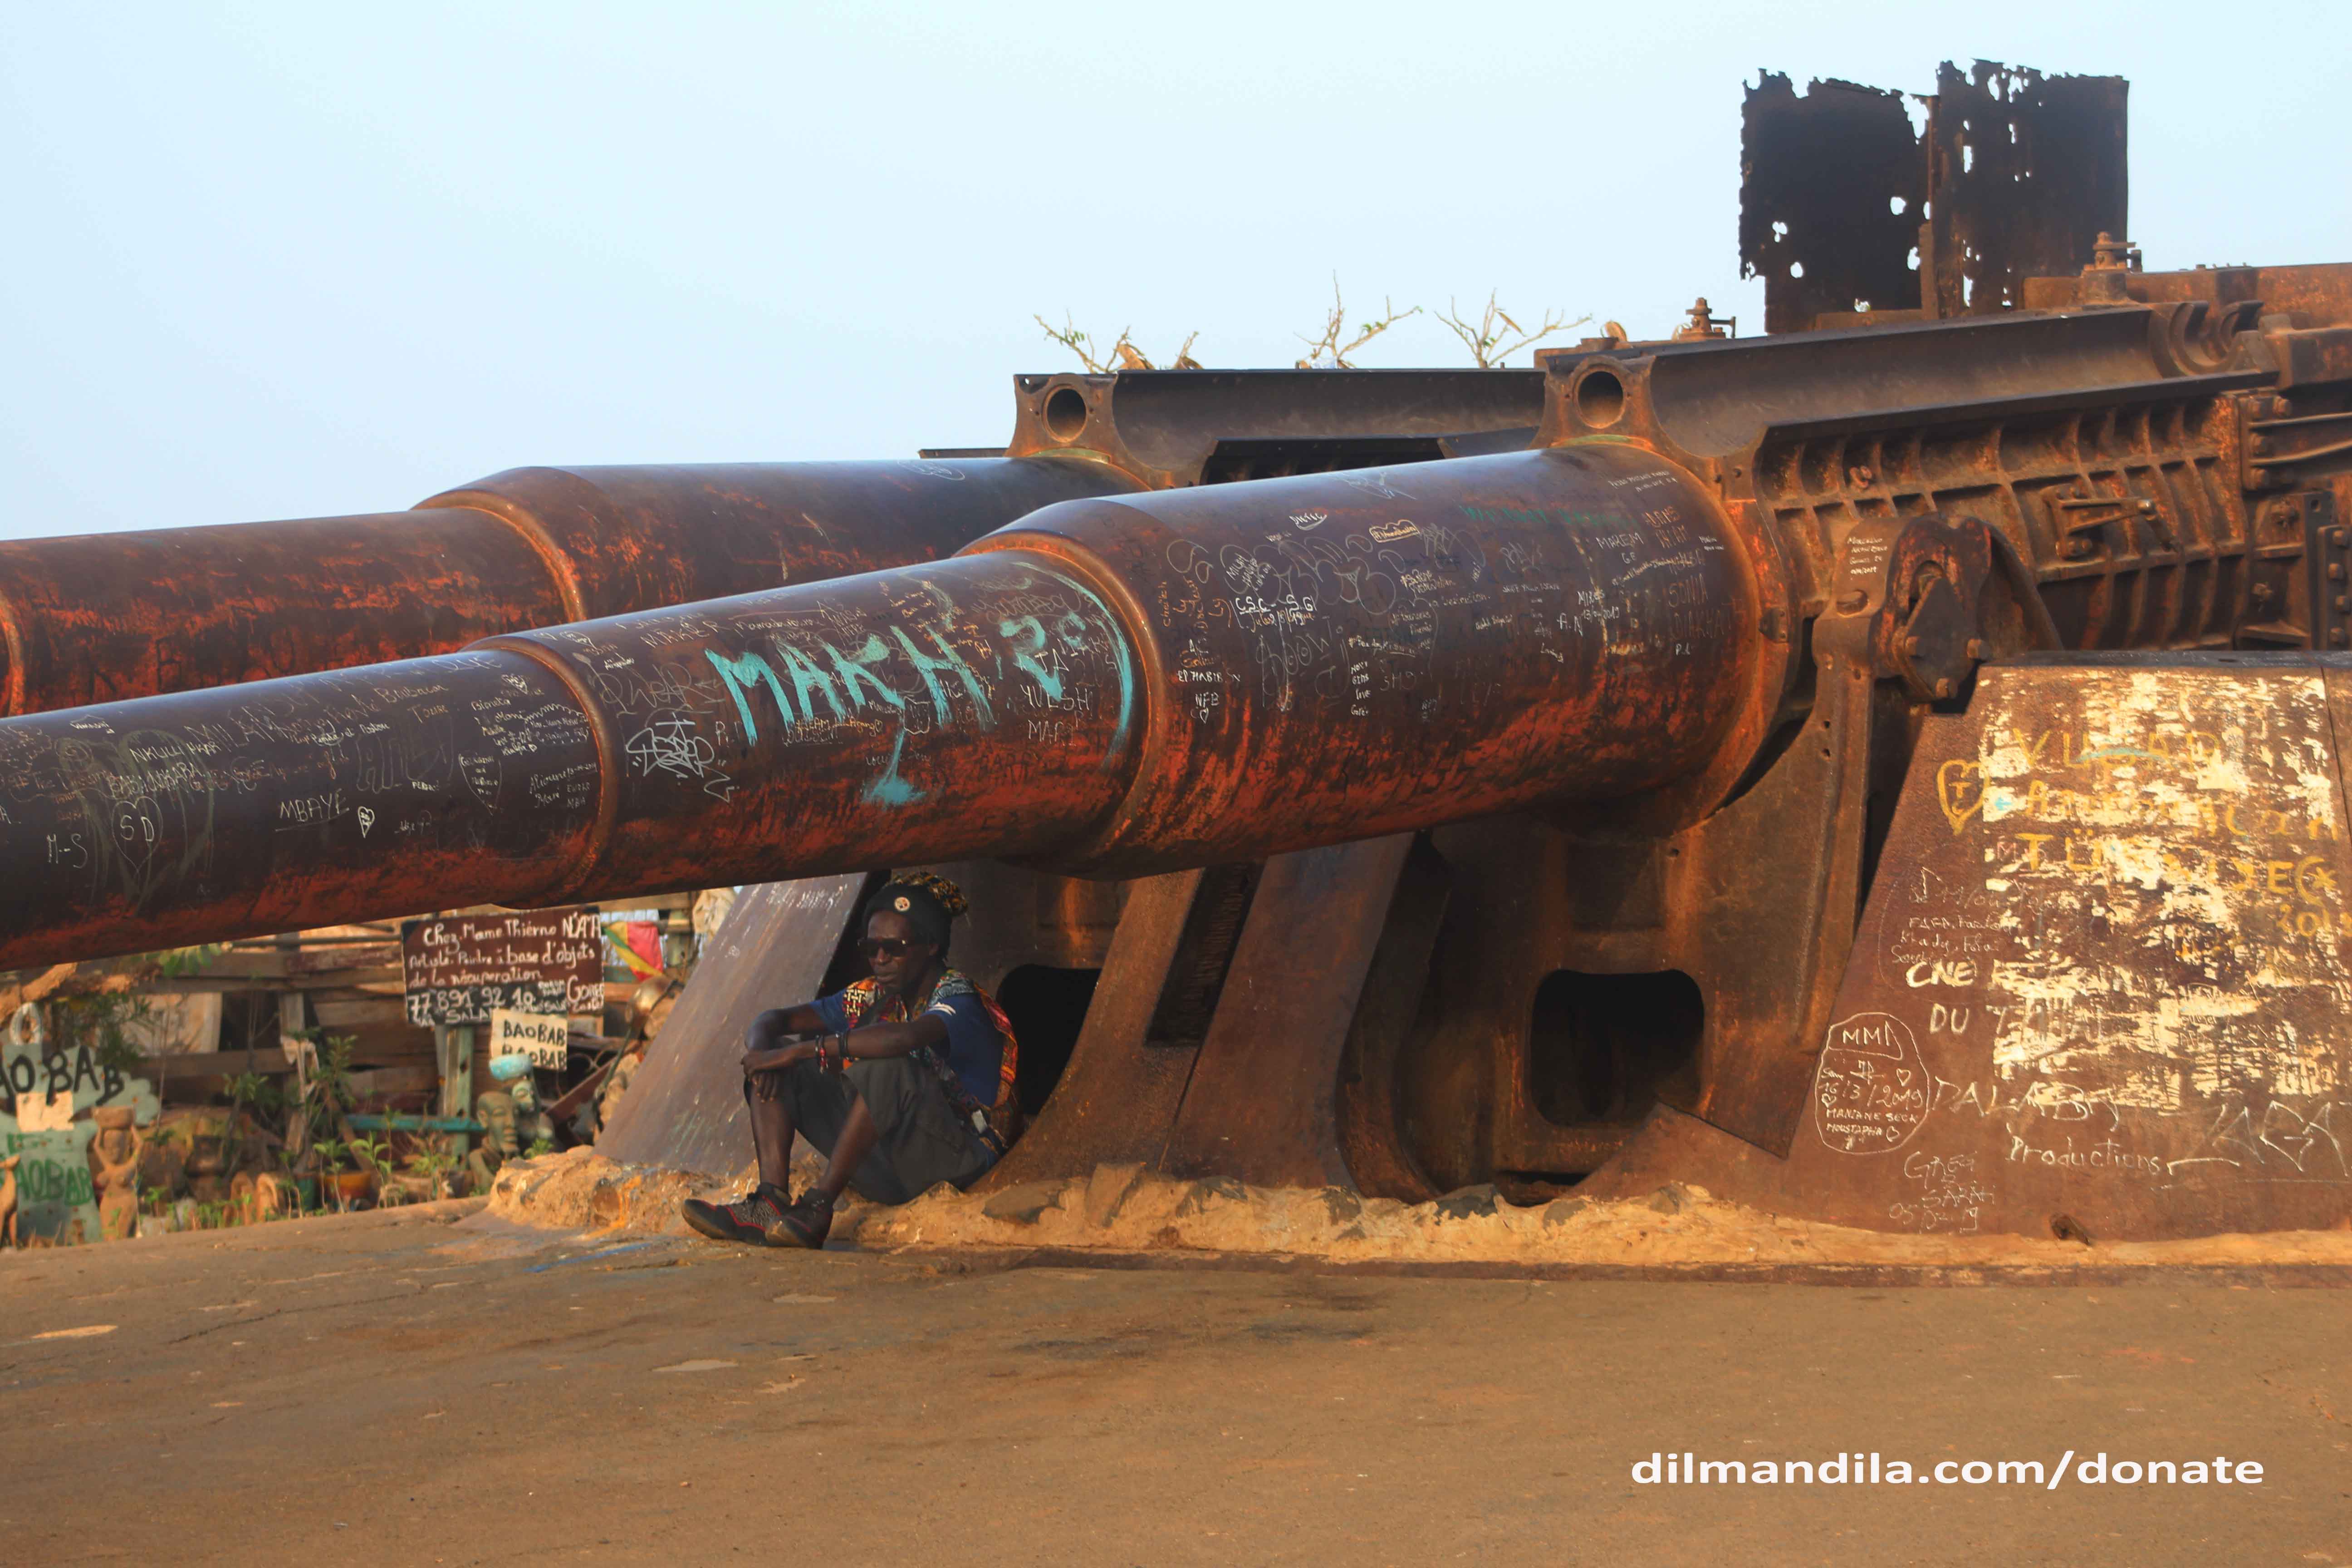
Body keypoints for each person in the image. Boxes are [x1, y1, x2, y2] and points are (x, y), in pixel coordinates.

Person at [682, 873, 1019, 1249]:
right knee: (782, 1067)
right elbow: (774, 1019)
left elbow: (904, 1038)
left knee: (889, 1066)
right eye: (871, 947)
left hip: (959, 1158)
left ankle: (818, 1208)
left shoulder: (959, 995)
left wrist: (799, 1049)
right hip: (894, 1165)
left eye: (893, 947)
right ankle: (769, 1204)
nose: (880, 959)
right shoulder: (873, 994)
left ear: (930, 946)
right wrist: (764, 1054)